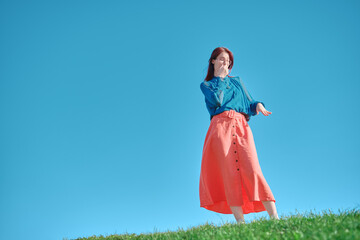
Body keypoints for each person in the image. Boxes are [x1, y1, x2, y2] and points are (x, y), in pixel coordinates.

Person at [199, 47, 280, 224]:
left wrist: (258, 105)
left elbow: (249, 102)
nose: (225, 63)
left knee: (253, 169)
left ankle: (275, 218)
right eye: (221, 59)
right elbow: (217, 100)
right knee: (229, 173)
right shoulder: (206, 85)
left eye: (228, 61)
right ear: (213, 61)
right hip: (220, 129)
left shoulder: (238, 81)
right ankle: (240, 224)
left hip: (241, 126)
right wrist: (219, 78)